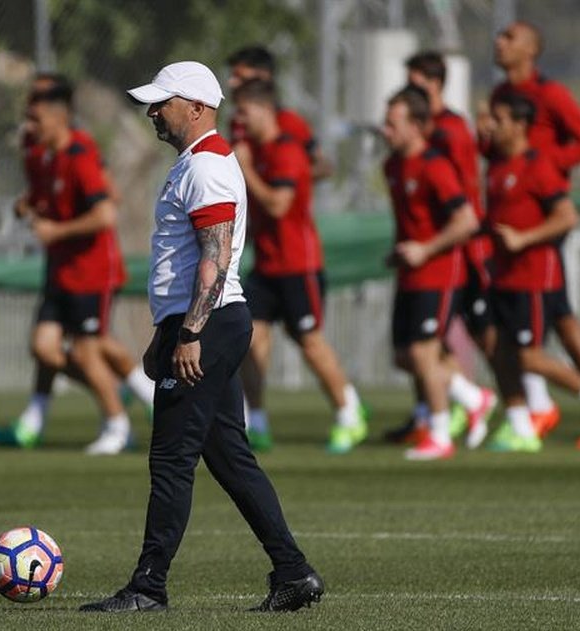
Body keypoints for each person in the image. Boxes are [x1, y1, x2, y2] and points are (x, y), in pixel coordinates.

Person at [81, 61, 323, 613]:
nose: (152, 113)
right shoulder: (194, 163)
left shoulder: (208, 165)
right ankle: (293, 572)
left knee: (170, 459)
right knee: (231, 457)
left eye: (162, 102)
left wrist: (188, 333)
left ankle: (148, 587)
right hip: (200, 325)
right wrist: (167, 333)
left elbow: (213, 259)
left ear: (196, 107)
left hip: (207, 325)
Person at [0, 74, 155, 450]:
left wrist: (57, 231)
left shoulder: (80, 154)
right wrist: (27, 204)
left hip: (91, 269)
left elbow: (105, 215)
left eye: (35, 119)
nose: (28, 127)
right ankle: (139, 392)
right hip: (60, 268)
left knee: (87, 347)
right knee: (45, 346)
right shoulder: (38, 153)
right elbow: (42, 196)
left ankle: (117, 426)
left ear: (59, 116)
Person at [479, 21, 580, 444]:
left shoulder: (550, 96)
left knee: (543, 329)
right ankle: (528, 417)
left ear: (532, 49)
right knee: (516, 337)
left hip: (540, 224)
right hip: (509, 231)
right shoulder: (500, 99)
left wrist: (543, 163)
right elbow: (492, 149)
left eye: (510, 37)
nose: (500, 42)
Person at [231, 79, 367, 454]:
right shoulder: (255, 150)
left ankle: (348, 413)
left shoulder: (286, 150)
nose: (238, 121)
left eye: (243, 112)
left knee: (309, 342)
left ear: (264, 110)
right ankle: (256, 420)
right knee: (251, 340)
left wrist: (246, 171)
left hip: (298, 265)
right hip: (266, 266)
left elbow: (278, 203)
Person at [386, 51, 496, 447]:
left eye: (392, 123)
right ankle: (473, 397)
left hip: (441, 269)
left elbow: (466, 220)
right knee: (404, 355)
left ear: (416, 126)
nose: (385, 131)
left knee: (422, 352)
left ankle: (438, 434)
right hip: (411, 270)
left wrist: (426, 248)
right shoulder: (394, 167)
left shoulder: (435, 165)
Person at [225, 45, 333, 179]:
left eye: (239, 76)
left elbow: (324, 166)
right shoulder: (236, 123)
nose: (232, 83)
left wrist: (284, 176)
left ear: (263, 76)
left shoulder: (289, 122)